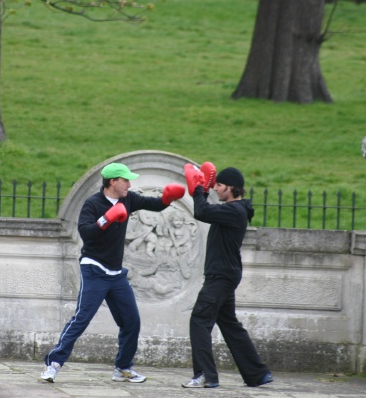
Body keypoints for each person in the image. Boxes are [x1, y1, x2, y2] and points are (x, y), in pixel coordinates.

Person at [40, 162, 185, 383]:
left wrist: (167, 199)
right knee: (82, 318)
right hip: (94, 269)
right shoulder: (93, 204)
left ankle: (123, 368)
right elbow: (86, 233)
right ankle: (53, 365)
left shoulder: (128, 199)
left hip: (116, 274)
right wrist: (106, 218)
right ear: (112, 182)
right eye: (125, 180)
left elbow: (154, 205)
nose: (129, 183)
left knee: (131, 321)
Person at [181, 165, 273, 389]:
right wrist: (203, 190)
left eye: (219, 186)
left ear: (231, 188)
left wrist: (199, 190)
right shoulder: (234, 210)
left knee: (199, 320)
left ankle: (206, 375)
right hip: (225, 275)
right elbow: (207, 211)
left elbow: (201, 212)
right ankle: (257, 374)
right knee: (229, 323)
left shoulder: (234, 211)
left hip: (220, 277)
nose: (216, 189)